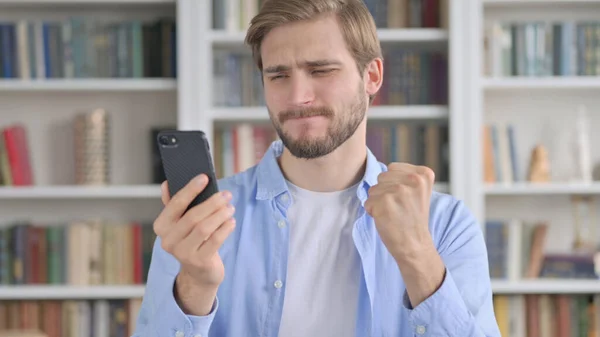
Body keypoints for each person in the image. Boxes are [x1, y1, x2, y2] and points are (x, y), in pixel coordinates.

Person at [132, 0, 501, 336]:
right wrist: (196, 284)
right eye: (278, 76)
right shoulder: (200, 224)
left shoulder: (445, 223)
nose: (297, 97)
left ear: (372, 76)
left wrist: (418, 256)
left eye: (321, 70)